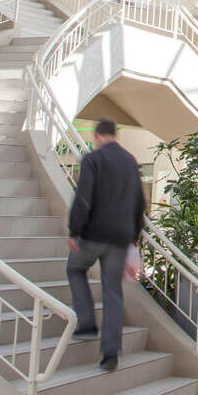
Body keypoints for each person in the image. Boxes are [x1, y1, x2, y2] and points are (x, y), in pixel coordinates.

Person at [66, 119, 146, 371]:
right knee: (113, 293)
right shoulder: (131, 161)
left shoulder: (93, 159)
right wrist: (133, 236)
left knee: (75, 269)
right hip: (120, 238)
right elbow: (139, 203)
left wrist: (74, 230)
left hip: (93, 234)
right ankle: (110, 354)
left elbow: (83, 198)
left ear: (98, 136)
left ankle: (87, 322)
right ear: (115, 135)